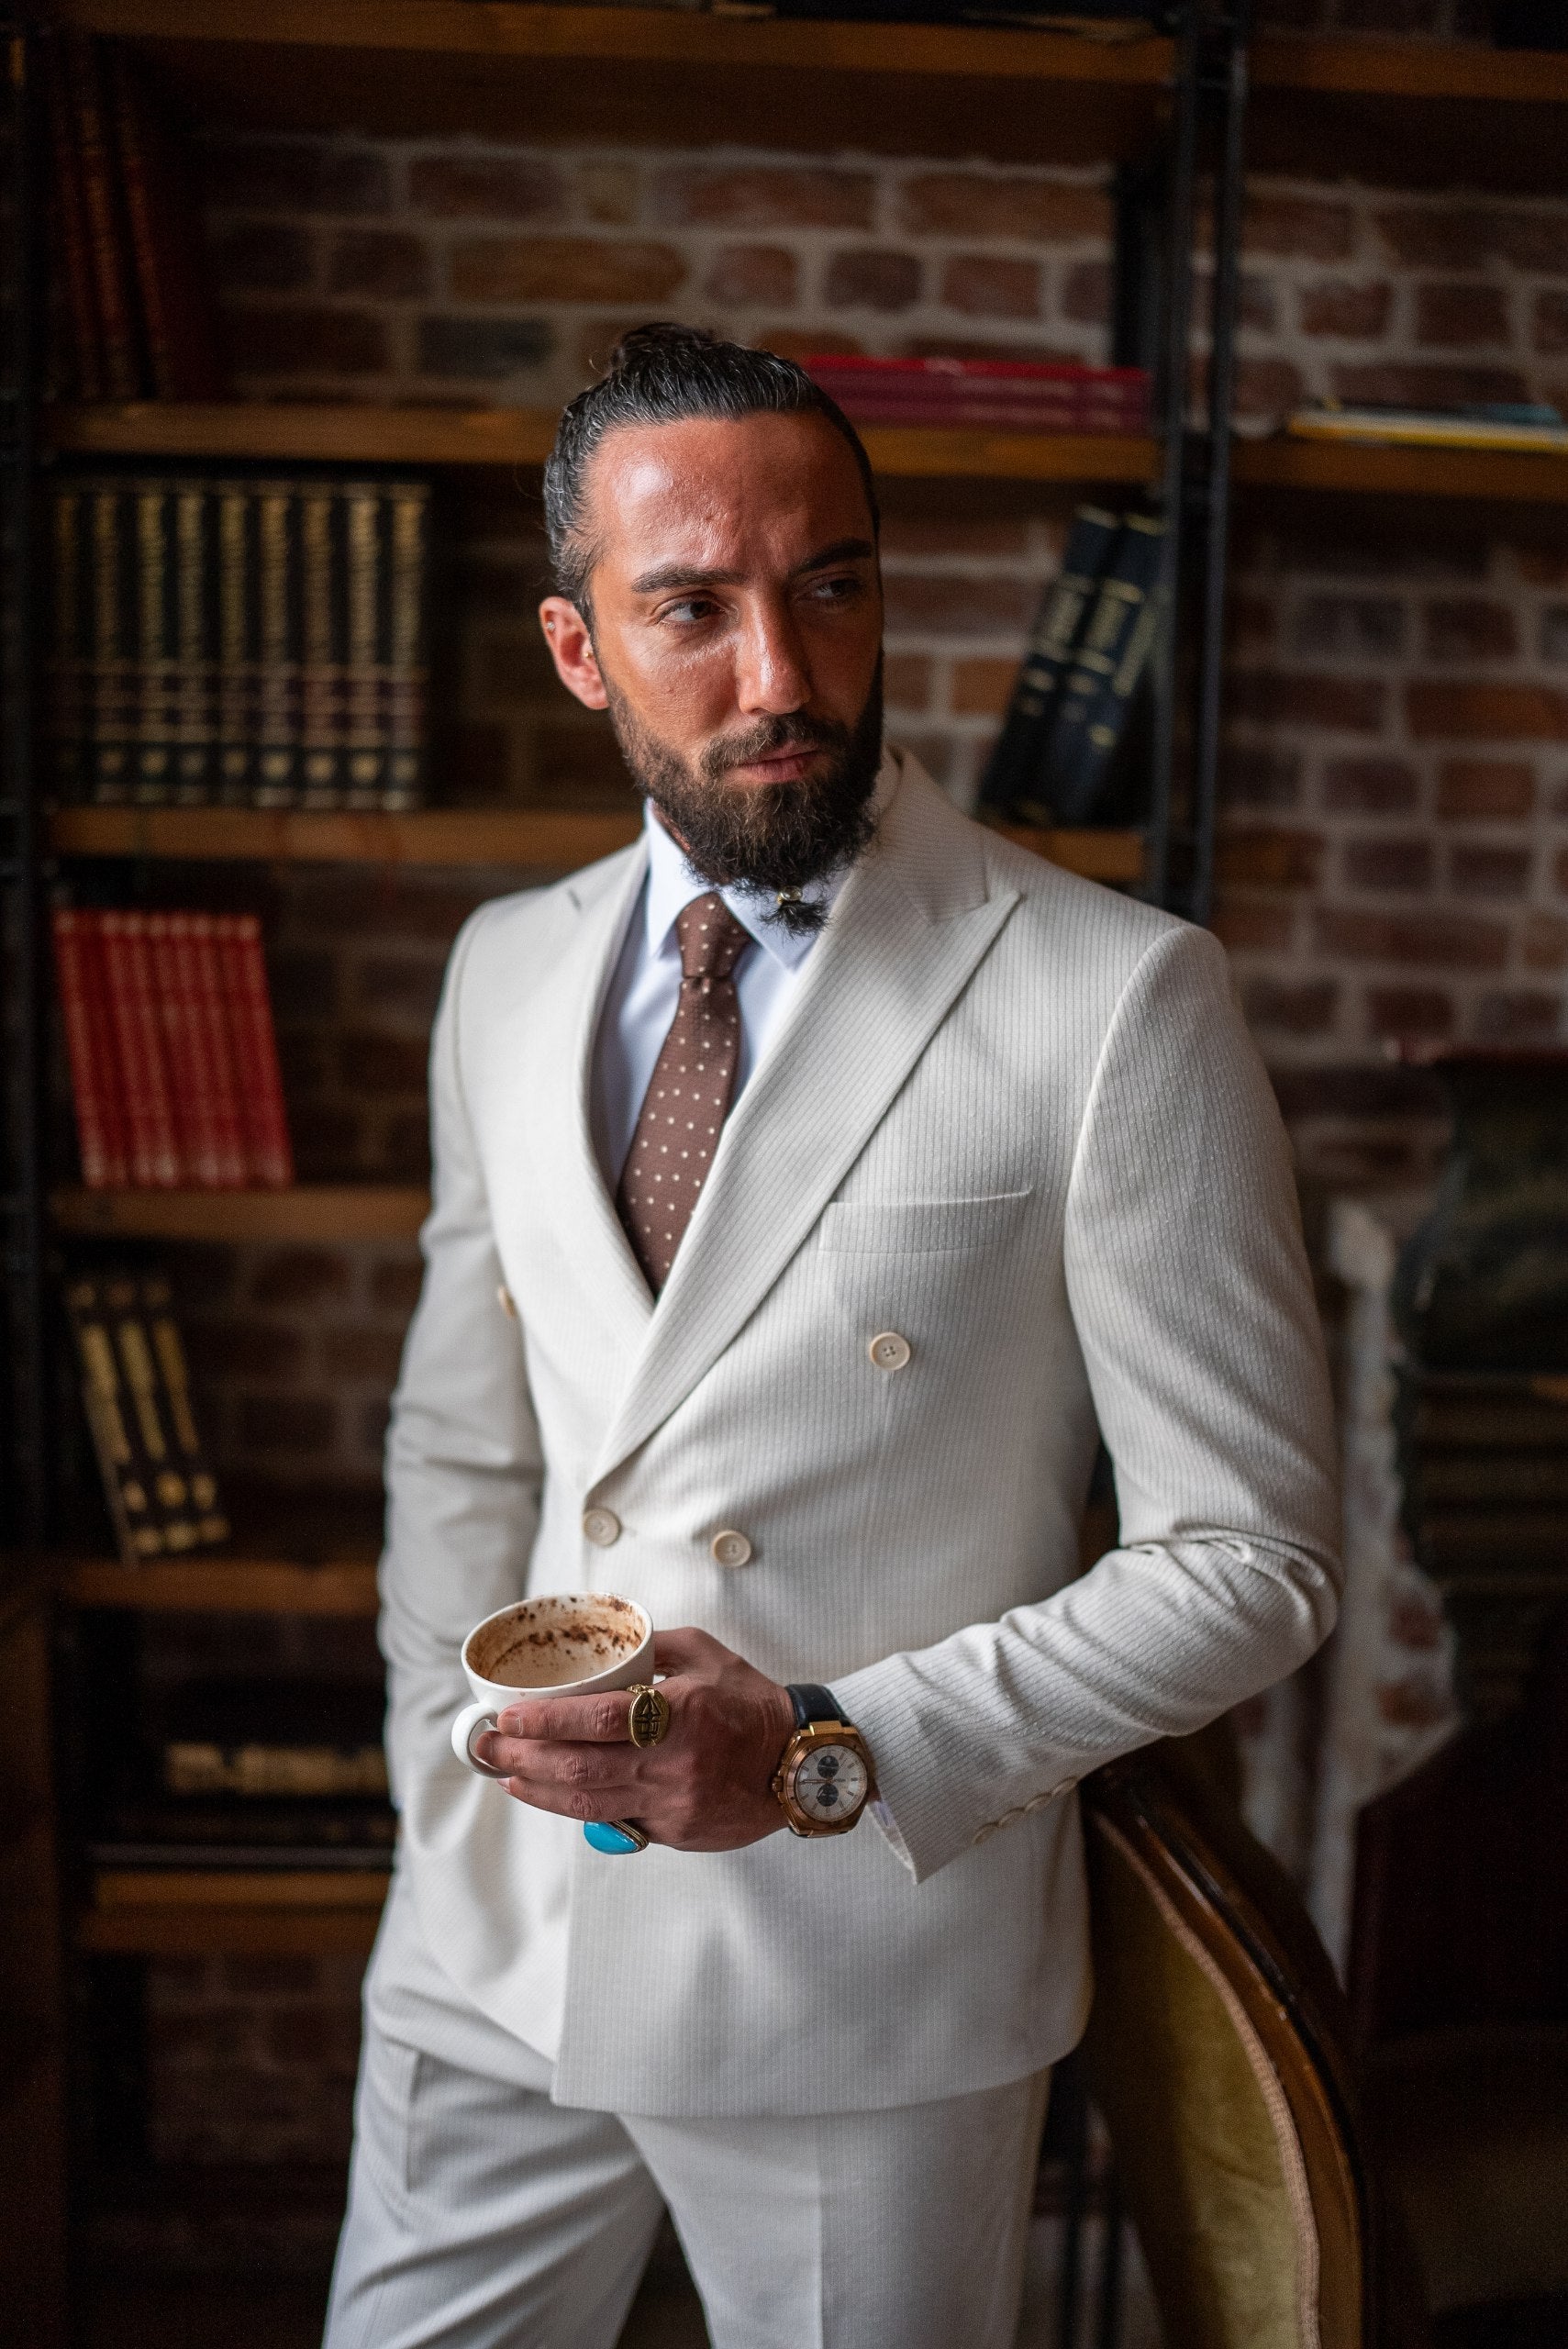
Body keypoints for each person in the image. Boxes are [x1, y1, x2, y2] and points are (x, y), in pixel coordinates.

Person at [324, 323, 1340, 2349]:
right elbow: (465, 1442)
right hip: (492, 1939)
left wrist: (823, 1747)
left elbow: (1258, 1560)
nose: (781, 675)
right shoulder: (503, 974)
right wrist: (445, 1792)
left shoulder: (1113, 997)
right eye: (692, 607)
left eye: (834, 585)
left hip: (862, 1962)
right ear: (576, 647)